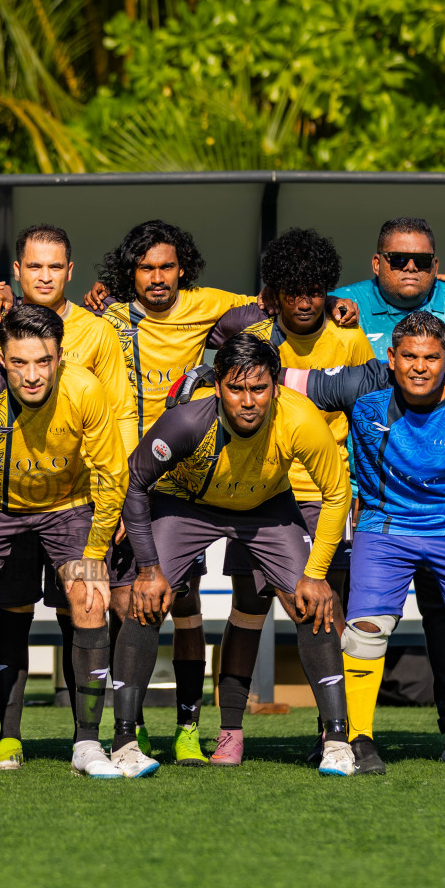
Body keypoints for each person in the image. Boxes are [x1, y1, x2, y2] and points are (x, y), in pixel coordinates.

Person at [286, 310, 445, 774]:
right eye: (411, 357)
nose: (420, 367)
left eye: (432, 358)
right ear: (393, 359)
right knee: (364, 634)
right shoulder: (363, 388)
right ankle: (359, 740)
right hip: (386, 524)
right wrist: (208, 372)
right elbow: (289, 378)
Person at [127, 334, 354, 776]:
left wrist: (316, 572)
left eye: (259, 388)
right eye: (236, 388)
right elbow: (136, 480)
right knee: (147, 600)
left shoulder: (301, 418)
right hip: (188, 505)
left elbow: (337, 491)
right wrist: (148, 569)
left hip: (266, 508)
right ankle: (124, 740)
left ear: (275, 386)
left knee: (315, 604)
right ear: (217, 386)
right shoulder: (187, 421)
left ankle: (337, 741)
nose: (248, 401)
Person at [0, 223, 138, 772]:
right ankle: (3, 738)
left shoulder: (98, 332)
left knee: (81, 608)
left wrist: (121, 502)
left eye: (54, 267)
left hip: (74, 499)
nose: (43, 275)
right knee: (8, 613)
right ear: (16, 271)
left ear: (70, 271)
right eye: (33, 266)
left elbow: (122, 415)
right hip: (1, 500)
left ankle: (87, 739)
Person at [330, 216, 445, 763]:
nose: (412, 268)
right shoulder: (344, 304)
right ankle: (345, 734)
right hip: (383, 505)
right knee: (360, 624)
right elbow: (287, 313)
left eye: (424, 261)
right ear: (377, 263)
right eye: (399, 259)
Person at [89, 220, 265, 766]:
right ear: (130, 274)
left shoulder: (210, 304)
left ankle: (188, 727)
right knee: (129, 606)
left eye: (167, 266)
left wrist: (331, 303)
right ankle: (132, 727)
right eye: (146, 268)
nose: (157, 277)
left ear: (182, 267)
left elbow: (269, 303)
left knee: (185, 608)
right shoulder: (110, 315)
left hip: (188, 479)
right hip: (130, 479)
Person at [199, 227, 375, 765]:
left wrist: (364, 493)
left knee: (321, 612)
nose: (304, 301)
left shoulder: (348, 335)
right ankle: (231, 729)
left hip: (327, 497)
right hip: (259, 496)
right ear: (273, 293)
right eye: (292, 290)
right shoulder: (251, 335)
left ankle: (334, 733)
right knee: (247, 610)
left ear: (328, 290)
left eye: (315, 289)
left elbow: (367, 417)